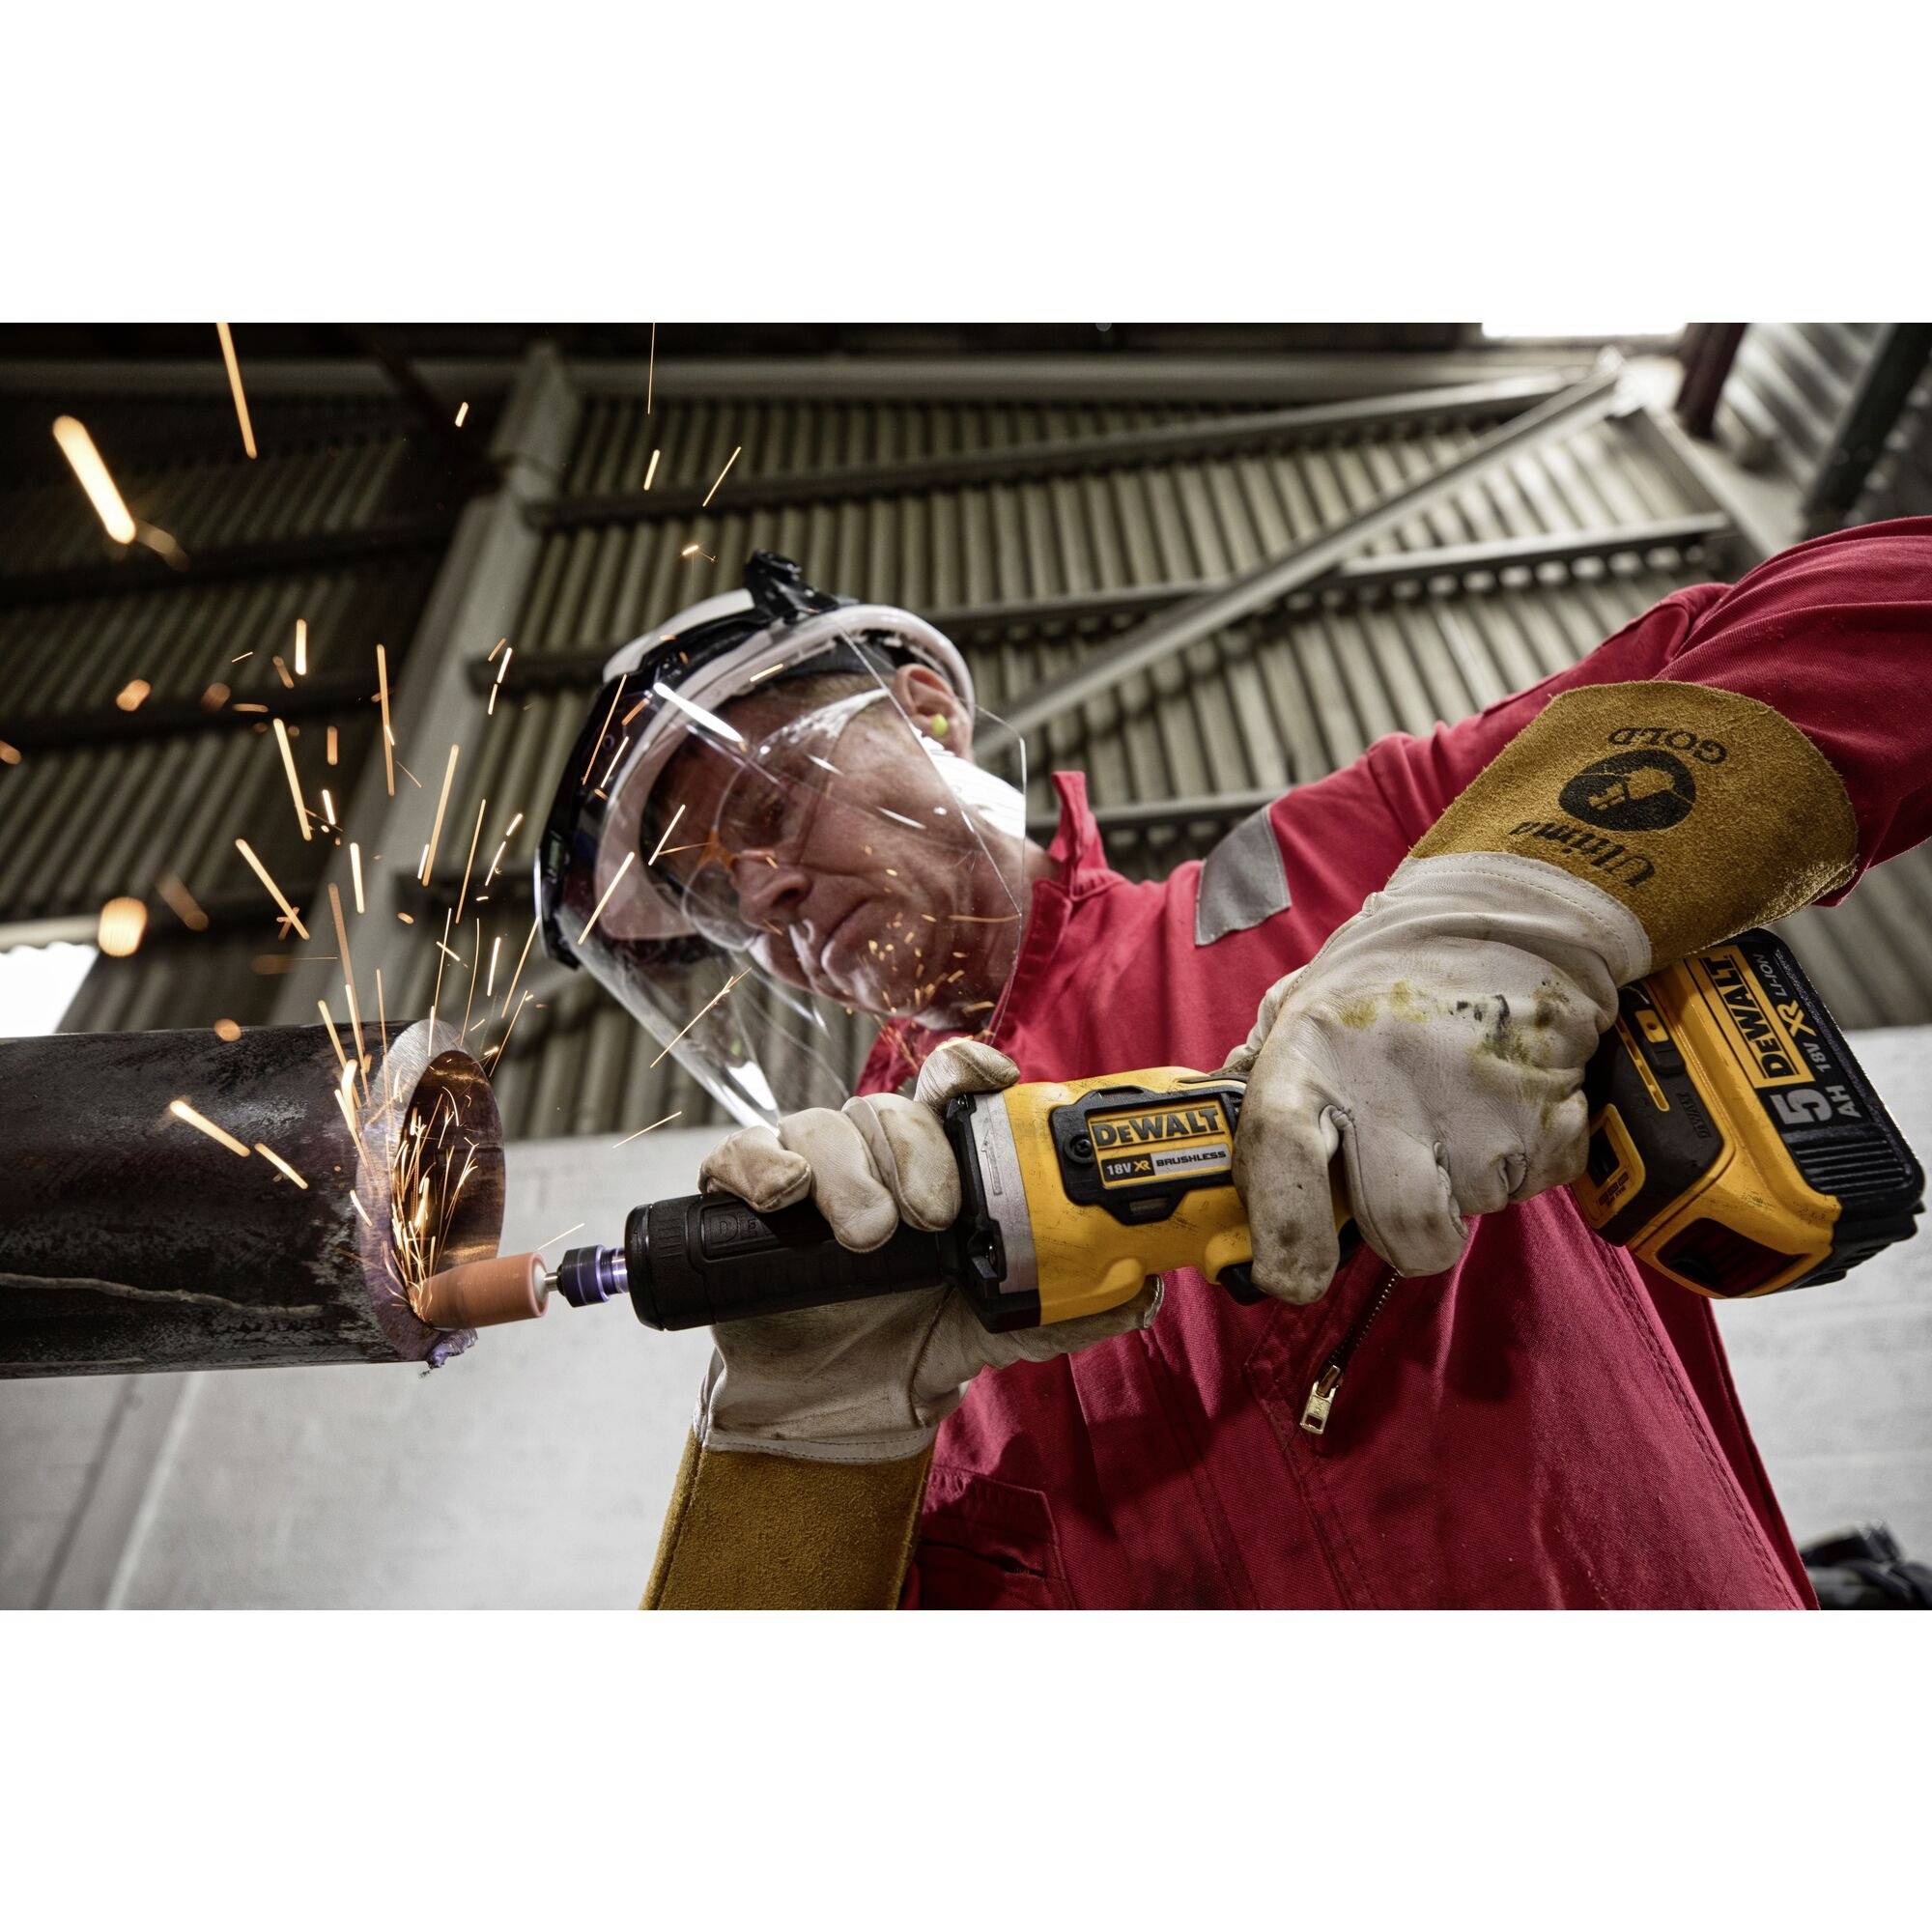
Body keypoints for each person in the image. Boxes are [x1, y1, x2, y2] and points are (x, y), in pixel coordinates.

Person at [537, 528, 1932, 1608]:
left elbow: (1891, 594)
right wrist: (800, 1453)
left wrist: (1529, 894)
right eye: (718, 893)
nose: (769, 895)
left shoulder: (1357, 867)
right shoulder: (854, 1247)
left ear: (928, 716)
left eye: (775, 805)